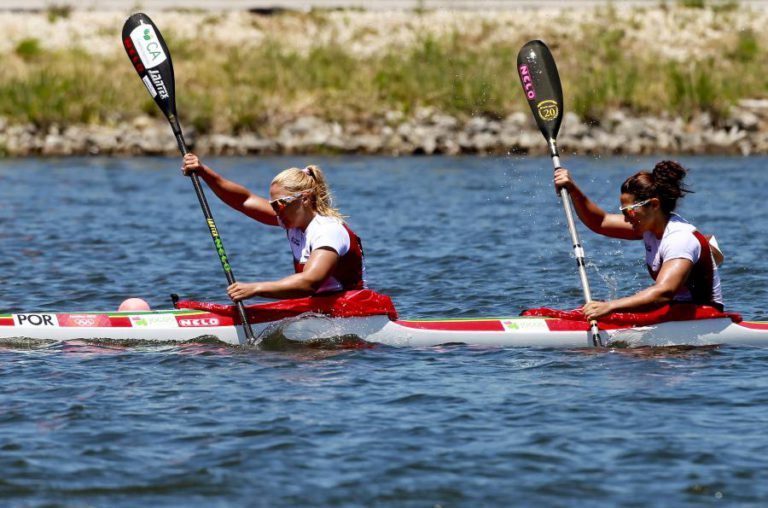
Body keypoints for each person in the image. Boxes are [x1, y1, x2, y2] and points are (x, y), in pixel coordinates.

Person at [181, 154, 366, 302]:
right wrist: (204, 172)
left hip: (351, 310)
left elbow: (310, 282)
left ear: (305, 198)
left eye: (280, 204)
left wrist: (255, 288)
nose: (275, 210)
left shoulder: (327, 231)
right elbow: (244, 200)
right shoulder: (293, 220)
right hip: (319, 307)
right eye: (273, 205)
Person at [553, 160, 723, 320]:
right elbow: (601, 222)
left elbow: (664, 292)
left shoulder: (679, 239)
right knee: (579, 314)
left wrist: (610, 306)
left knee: (612, 318)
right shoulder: (649, 227)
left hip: (703, 316)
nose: (626, 218)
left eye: (629, 211)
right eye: (623, 212)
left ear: (654, 205)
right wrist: (572, 189)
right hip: (674, 311)